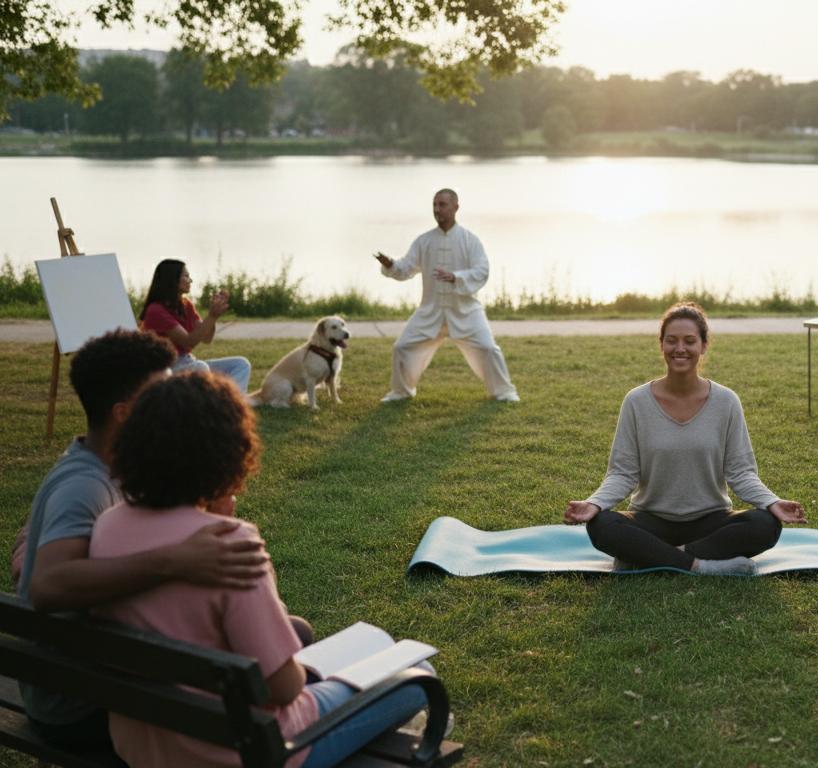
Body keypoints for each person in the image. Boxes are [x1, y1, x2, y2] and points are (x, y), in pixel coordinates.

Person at [89, 373, 431, 768]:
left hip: (142, 744)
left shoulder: (108, 525)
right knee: (416, 672)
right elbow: (284, 689)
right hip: (251, 750)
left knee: (361, 657)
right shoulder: (231, 543)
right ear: (227, 452)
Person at [11, 330, 269, 747]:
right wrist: (176, 559)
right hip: (80, 705)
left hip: (101, 672)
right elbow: (48, 587)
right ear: (124, 413)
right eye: (159, 394)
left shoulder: (110, 468)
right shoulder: (86, 486)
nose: (171, 402)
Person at [563, 302, 807, 575]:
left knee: (765, 524)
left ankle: (647, 556)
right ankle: (700, 566)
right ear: (661, 345)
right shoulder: (636, 401)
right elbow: (622, 473)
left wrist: (773, 502)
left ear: (703, 346)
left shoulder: (726, 402)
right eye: (672, 340)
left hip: (710, 521)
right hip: (650, 520)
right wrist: (594, 504)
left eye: (689, 341)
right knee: (602, 525)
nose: (680, 348)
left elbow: (741, 472)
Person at [376, 187, 519, 403]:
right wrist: (390, 265)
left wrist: (456, 277)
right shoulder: (424, 241)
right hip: (430, 311)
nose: (437, 209)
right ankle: (401, 391)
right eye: (434, 205)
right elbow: (406, 268)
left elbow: (482, 271)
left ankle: (504, 392)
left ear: (455, 207)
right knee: (402, 347)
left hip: (465, 311)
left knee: (488, 348)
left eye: (442, 205)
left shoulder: (470, 240)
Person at [138, 259, 251, 393]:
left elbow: (207, 338)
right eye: (186, 276)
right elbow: (188, 341)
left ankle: (233, 401)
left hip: (188, 362)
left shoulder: (186, 304)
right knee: (200, 367)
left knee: (240, 364)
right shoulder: (156, 310)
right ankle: (212, 402)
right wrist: (212, 316)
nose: (190, 280)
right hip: (167, 368)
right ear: (173, 279)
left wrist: (214, 315)